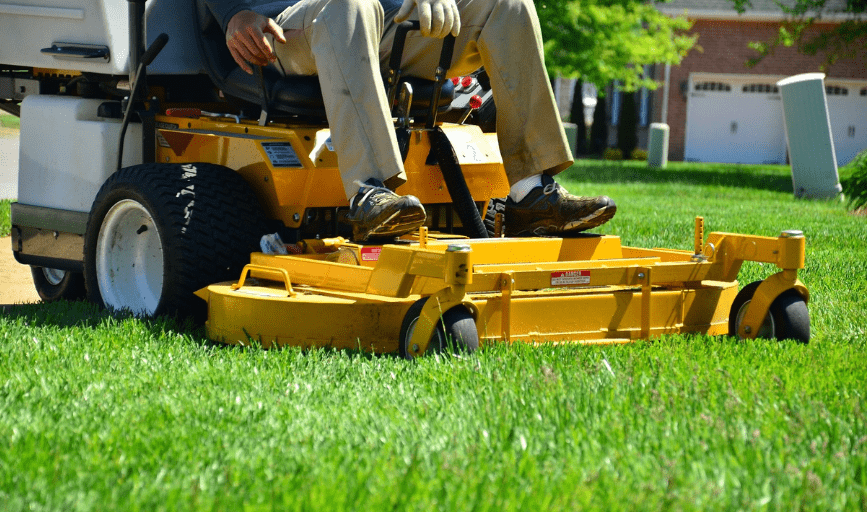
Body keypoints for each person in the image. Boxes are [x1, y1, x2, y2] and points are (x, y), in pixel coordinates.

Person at [204, 0, 616, 241]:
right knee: (350, 6)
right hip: (283, 27)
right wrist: (233, 14)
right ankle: (370, 193)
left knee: (507, 4)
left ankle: (530, 194)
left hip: (381, 20)